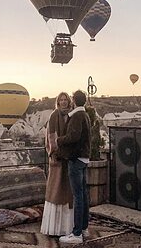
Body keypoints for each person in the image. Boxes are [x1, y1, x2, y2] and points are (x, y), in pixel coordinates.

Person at [56, 90, 91, 244]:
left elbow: (73, 137)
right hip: (84, 159)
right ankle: (84, 228)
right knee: (83, 195)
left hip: (76, 159)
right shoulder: (86, 115)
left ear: (74, 101)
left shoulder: (77, 116)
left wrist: (59, 140)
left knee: (77, 196)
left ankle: (76, 234)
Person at [40, 92, 74, 236]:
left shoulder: (71, 115)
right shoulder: (54, 115)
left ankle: (66, 228)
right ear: (58, 102)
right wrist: (56, 153)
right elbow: (51, 137)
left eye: (65, 99)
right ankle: (54, 227)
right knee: (56, 191)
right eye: (61, 100)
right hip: (58, 159)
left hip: (68, 159)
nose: (63, 102)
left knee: (67, 192)